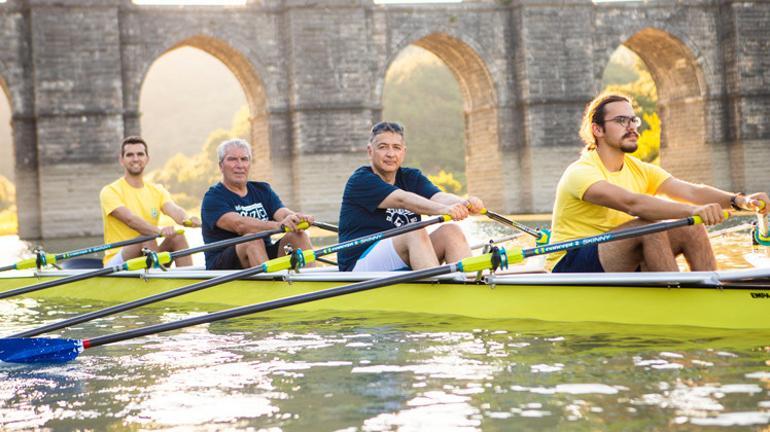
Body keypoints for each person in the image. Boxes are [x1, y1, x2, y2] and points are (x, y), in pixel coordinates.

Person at [549, 92, 769, 273]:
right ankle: (675, 299)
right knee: (648, 225)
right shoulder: (580, 172)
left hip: (618, 256)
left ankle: (710, 291)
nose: (632, 127)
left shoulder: (640, 169)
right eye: (620, 121)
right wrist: (695, 211)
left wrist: (740, 200)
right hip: (571, 262)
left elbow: (691, 191)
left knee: (693, 227)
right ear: (597, 130)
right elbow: (632, 204)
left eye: (633, 120)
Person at [338, 121, 485, 272]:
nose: (390, 154)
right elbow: (403, 200)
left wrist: (464, 203)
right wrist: (445, 210)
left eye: (396, 147)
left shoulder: (411, 177)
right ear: (370, 151)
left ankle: (468, 284)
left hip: (400, 255)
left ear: (404, 152)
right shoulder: (361, 180)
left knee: (451, 232)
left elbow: (437, 197)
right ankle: (437, 289)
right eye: (383, 147)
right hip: (358, 265)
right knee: (414, 230)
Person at [201, 139, 315, 270]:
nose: (240, 165)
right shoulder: (213, 197)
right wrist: (279, 225)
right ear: (221, 166)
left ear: (249, 164)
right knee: (251, 238)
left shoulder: (262, 190)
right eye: (232, 159)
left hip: (261, 256)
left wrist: (297, 218)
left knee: (298, 235)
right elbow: (240, 225)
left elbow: (282, 213)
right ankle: (271, 287)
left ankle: (311, 282)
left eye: (244, 159)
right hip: (224, 265)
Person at [100, 136, 201, 267]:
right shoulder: (110, 191)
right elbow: (130, 220)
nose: (135, 159)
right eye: (130, 155)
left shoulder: (157, 190)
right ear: (121, 160)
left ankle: (190, 283)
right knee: (147, 237)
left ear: (147, 159)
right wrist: (158, 231)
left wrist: (187, 220)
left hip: (148, 252)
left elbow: (174, 210)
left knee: (177, 237)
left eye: (140, 154)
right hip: (117, 260)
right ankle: (157, 279)